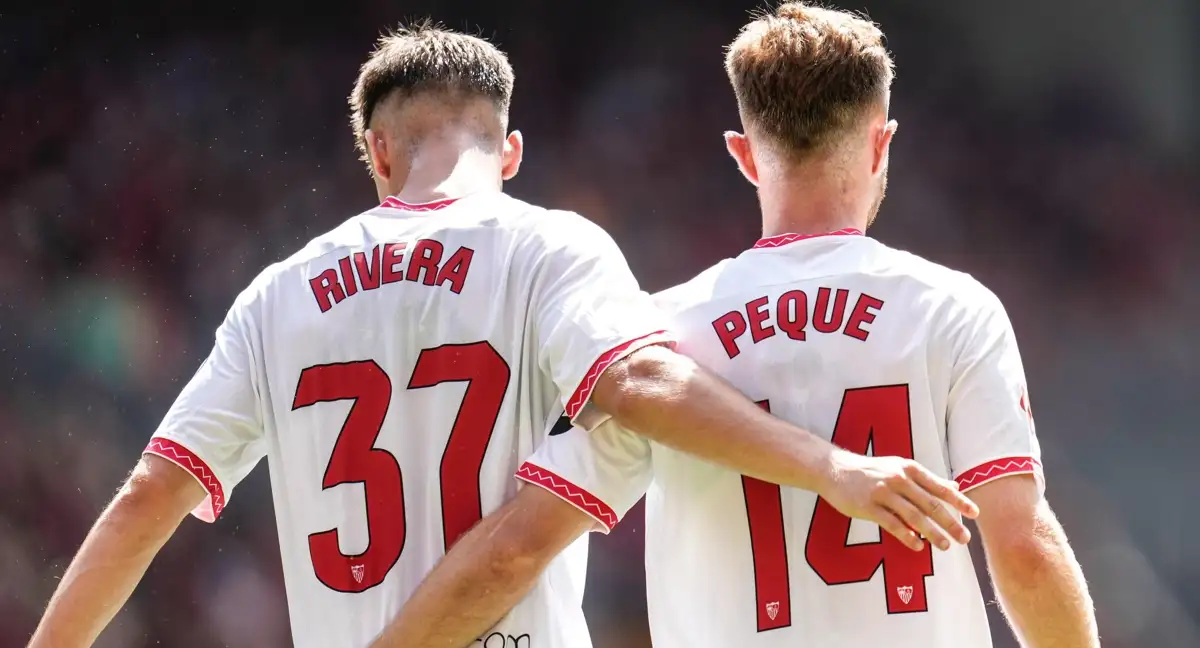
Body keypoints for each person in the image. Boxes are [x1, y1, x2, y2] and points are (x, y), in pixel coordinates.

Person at [27, 21, 978, 648]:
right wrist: (831, 466)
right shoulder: (548, 248)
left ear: (378, 152)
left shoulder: (276, 295)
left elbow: (152, 491)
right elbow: (638, 387)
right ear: (510, 150)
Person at [380, 5, 1101, 648]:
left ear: (744, 154)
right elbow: (1024, 551)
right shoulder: (951, 308)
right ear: (881, 145)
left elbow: (517, 548)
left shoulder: (656, 339)